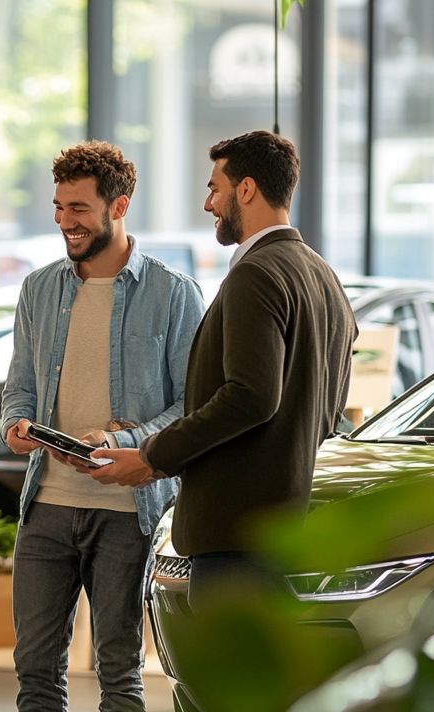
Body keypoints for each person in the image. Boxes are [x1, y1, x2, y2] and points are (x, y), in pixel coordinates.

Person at [0, 141, 203, 712]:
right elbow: (18, 388)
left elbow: (190, 409)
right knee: (34, 675)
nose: (64, 222)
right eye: (58, 209)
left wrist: (126, 439)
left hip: (126, 512)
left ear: (118, 207)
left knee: (119, 676)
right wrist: (19, 426)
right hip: (47, 509)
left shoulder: (174, 294)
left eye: (78, 209)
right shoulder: (41, 290)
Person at [93, 129, 357, 668]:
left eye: (215, 187)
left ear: (247, 190)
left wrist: (152, 456)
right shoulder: (321, 274)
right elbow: (330, 406)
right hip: (289, 528)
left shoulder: (256, 273)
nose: (206, 202)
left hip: (239, 534)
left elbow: (251, 396)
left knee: (241, 705)